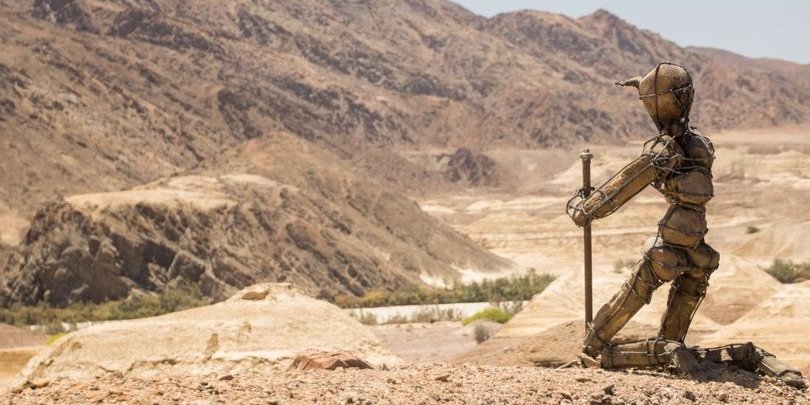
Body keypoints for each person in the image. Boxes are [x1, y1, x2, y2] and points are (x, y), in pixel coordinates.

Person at [566, 62, 804, 389]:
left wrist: (583, 208)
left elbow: (623, 187)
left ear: (654, 104)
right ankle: (671, 350)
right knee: (675, 333)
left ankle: (634, 353)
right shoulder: (702, 146)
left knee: (594, 345)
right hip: (697, 247)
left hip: (670, 245)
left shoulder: (662, 150)